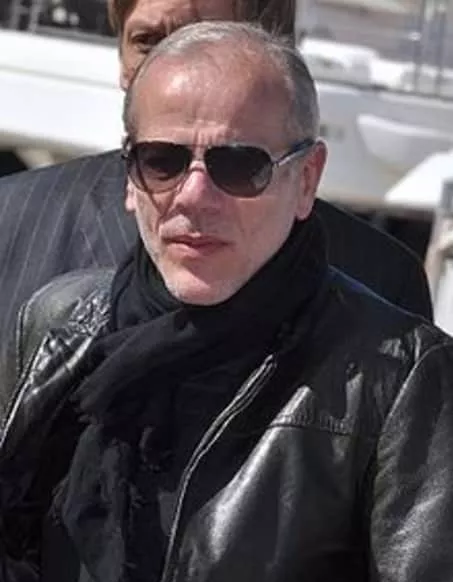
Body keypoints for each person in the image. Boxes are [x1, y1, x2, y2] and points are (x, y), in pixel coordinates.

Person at [1, 21, 453, 582]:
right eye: (162, 161)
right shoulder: (59, 324)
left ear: (307, 179)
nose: (194, 195)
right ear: (130, 177)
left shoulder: (398, 377)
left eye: (238, 166)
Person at [0, 0, 432, 347]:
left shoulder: (380, 282)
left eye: (201, 43)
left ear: (275, 54)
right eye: (148, 42)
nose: (172, 68)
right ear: (120, 58)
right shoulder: (15, 221)